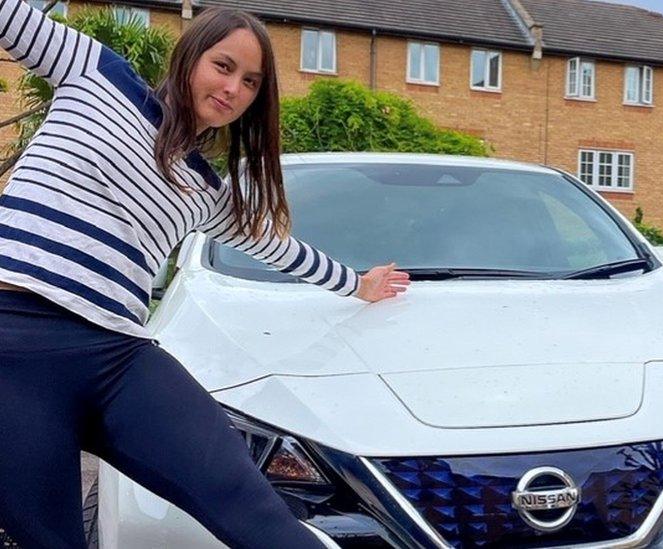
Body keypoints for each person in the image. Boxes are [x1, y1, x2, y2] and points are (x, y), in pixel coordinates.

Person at [0, 1, 409, 547]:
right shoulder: (93, 72)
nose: (234, 87)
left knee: (255, 512)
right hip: (14, 344)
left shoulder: (207, 190)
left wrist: (359, 284)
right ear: (190, 55)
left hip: (120, 359)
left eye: (251, 82)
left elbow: (279, 249)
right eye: (224, 65)